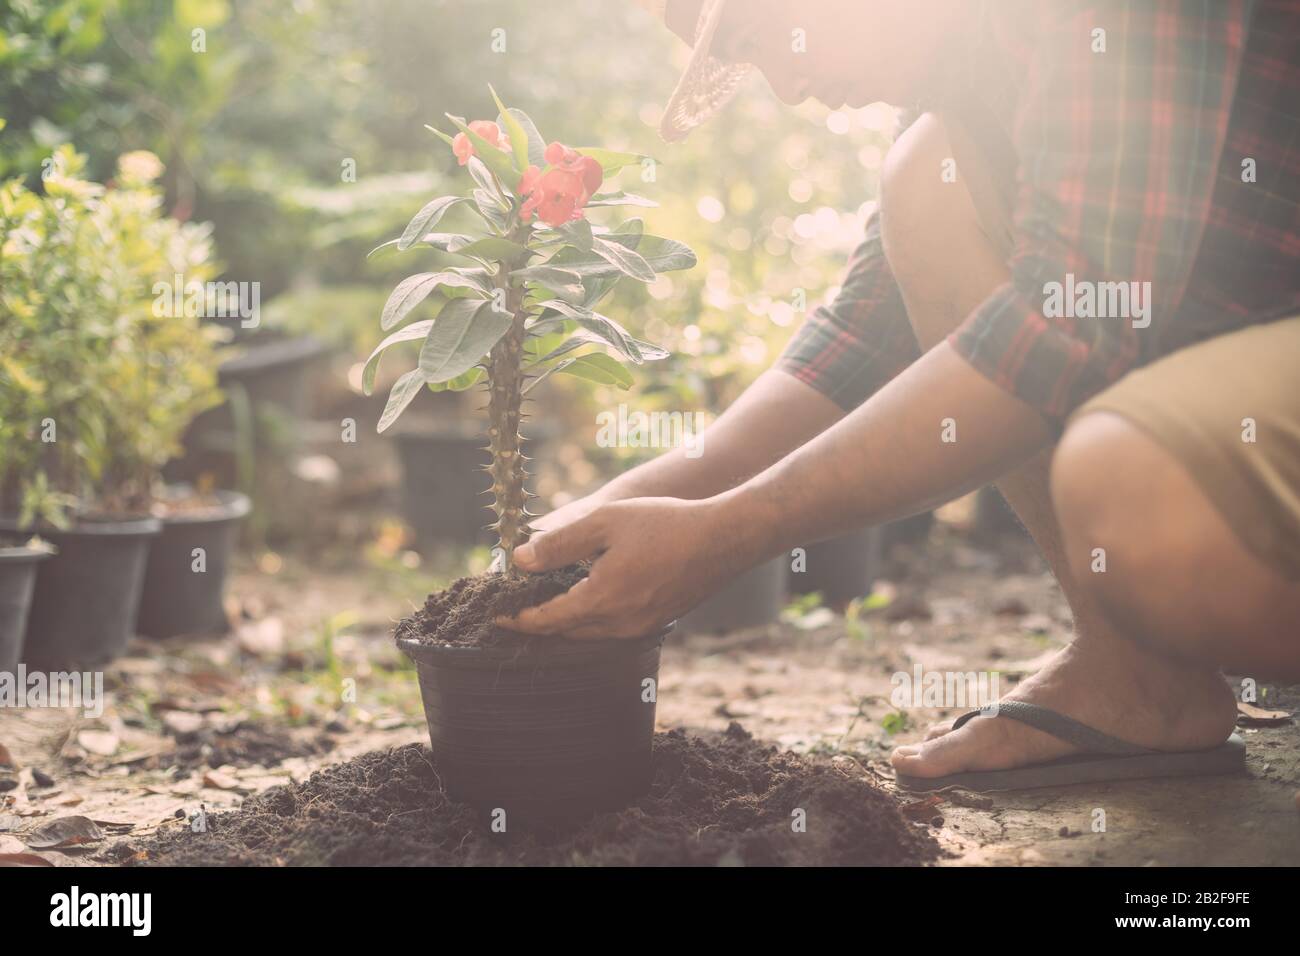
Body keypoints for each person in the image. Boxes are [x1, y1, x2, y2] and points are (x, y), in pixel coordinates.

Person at [502, 0, 1300, 790]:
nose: (787, 86)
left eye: (765, 35)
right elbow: (864, 342)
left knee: (1122, 481)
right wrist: (611, 515)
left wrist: (723, 536)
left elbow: (1073, 324)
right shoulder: (961, 79)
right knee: (925, 177)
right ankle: (1141, 683)